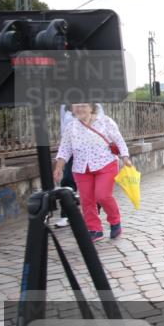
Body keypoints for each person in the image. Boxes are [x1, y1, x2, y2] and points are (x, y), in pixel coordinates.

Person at [53, 103, 134, 242]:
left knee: (102, 196)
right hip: (81, 167)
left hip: (106, 163)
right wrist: (59, 167)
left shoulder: (105, 121)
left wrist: (125, 158)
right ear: (72, 109)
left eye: (83, 106)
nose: (80, 109)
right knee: (87, 200)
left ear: (92, 107)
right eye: (76, 106)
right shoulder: (71, 127)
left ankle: (115, 221)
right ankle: (94, 229)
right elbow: (65, 149)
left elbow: (119, 141)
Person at [52, 103, 79, 227]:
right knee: (67, 180)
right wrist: (59, 165)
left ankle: (96, 210)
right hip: (72, 147)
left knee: (92, 183)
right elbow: (64, 126)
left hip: (91, 150)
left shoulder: (93, 99)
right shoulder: (64, 104)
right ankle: (66, 215)